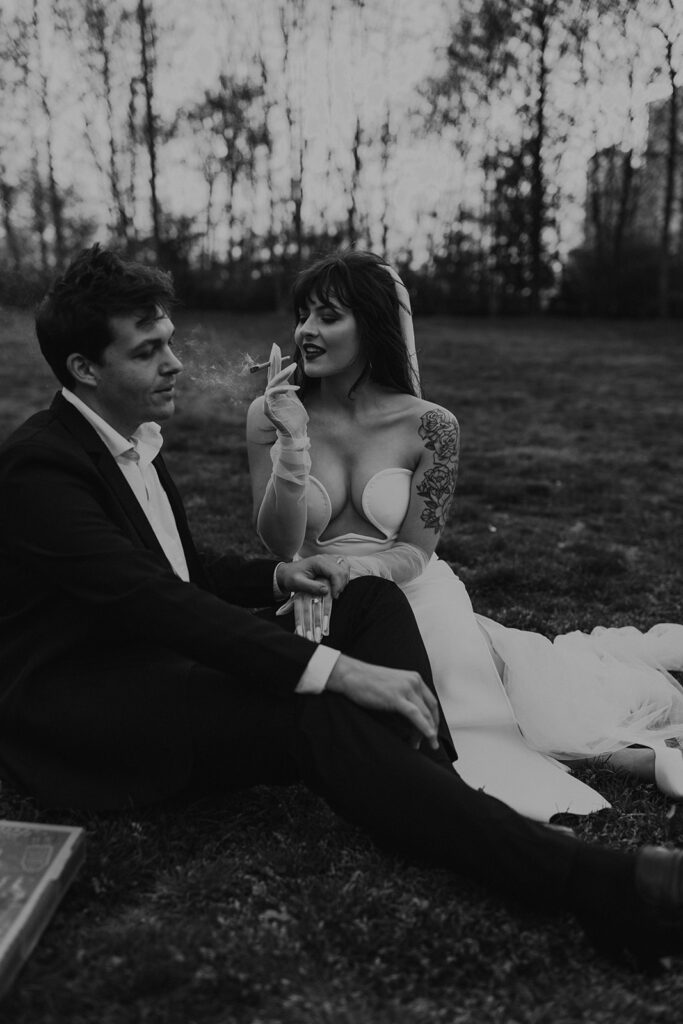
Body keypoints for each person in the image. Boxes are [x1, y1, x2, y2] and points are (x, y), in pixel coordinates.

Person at [3, 245, 683, 970]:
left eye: (170, 341)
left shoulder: (132, 438)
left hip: (169, 656)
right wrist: (335, 669)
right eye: (148, 351)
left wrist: (280, 581)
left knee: (366, 595)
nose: (172, 362)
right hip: (96, 705)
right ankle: (602, 887)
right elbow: (158, 602)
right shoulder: (41, 468)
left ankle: (422, 788)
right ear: (84, 369)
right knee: (318, 709)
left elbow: (186, 569)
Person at [246, 249, 683, 823]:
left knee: (468, 720)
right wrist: (293, 445)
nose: (306, 330)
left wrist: (353, 571)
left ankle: (640, 759)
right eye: (303, 314)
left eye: (328, 316)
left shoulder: (432, 425)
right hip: (308, 595)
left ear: (373, 325)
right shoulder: (270, 412)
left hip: (412, 589)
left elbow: (415, 552)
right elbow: (279, 545)